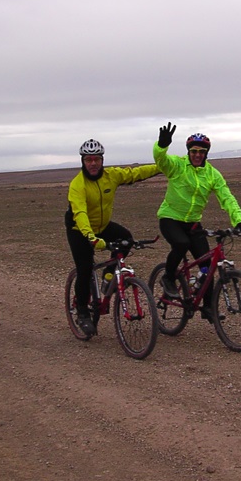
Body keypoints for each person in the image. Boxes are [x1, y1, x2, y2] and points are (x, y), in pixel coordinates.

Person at [154, 122, 241, 321]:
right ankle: (168, 278)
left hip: (192, 223)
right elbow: (161, 160)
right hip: (170, 218)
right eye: (194, 151)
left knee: (207, 265)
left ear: (207, 153)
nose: (197, 154)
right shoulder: (177, 165)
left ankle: (208, 307)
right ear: (188, 151)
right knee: (181, 243)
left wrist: (239, 221)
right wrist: (161, 146)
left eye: (202, 151)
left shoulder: (212, 174)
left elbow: (227, 197)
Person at [66, 138, 160, 335]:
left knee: (126, 238)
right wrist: (91, 237)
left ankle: (109, 275)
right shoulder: (77, 185)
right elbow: (80, 213)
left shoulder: (111, 176)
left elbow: (135, 173)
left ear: (102, 160)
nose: (93, 163)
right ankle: (82, 313)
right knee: (84, 268)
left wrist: (162, 167)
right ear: (83, 161)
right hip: (79, 230)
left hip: (102, 226)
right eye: (89, 159)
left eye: (96, 159)